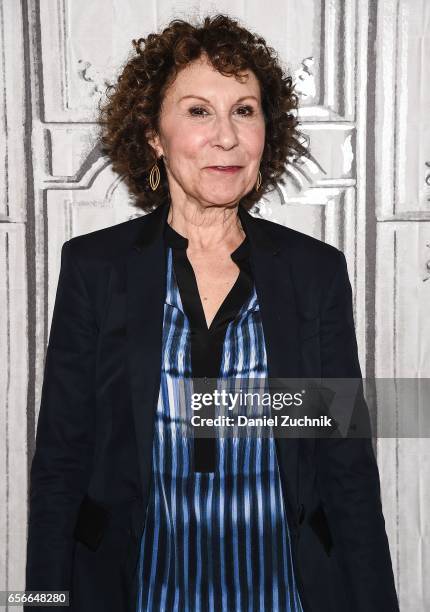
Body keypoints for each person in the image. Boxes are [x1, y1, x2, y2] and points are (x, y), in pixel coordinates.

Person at [25, 13, 400, 612]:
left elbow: (345, 466)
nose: (226, 136)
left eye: (245, 110)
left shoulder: (314, 273)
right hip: (139, 587)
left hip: (283, 588)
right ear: (153, 132)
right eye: (199, 111)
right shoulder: (95, 269)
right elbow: (60, 466)